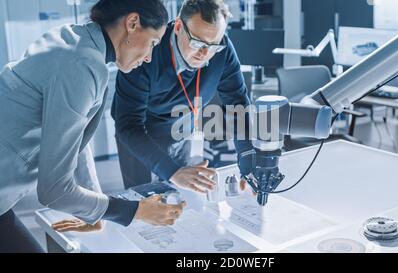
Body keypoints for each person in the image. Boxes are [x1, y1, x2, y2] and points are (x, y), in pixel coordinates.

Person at [0, 0, 185, 253]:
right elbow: (54, 190)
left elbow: (73, 140)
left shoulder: (77, 42)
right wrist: (134, 211)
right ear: (132, 23)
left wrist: (94, 213)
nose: (150, 56)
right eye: (153, 42)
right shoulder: (82, 64)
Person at [112, 0, 254, 194]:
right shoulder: (146, 51)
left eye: (213, 45)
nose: (205, 53)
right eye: (197, 42)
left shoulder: (222, 49)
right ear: (178, 27)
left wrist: (247, 154)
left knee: (182, 199)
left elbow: (237, 104)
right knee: (144, 203)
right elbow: (128, 125)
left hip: (181, 132)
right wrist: (172, 171)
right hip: (140, 137)